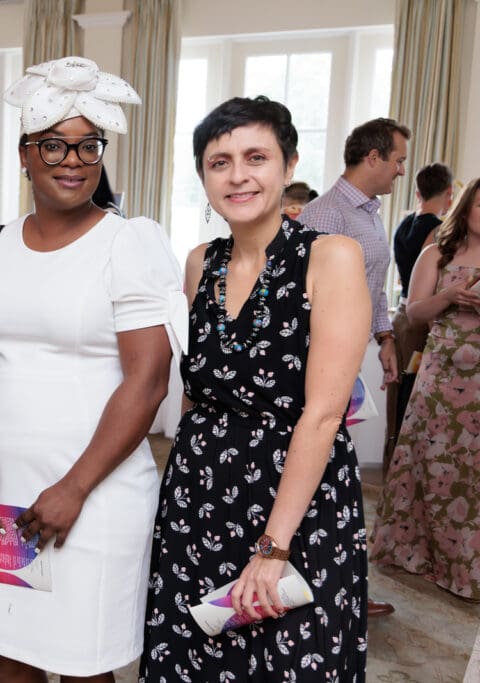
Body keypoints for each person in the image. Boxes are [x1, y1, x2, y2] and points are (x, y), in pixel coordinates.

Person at [0, 56, 185, 680]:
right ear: (25, 154)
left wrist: (75, 487)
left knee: (87, 664)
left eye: (88, 146)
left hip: (96, 492)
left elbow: (149, 380)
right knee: (10, 658)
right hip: (4, 491)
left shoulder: (129, 241)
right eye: (53, 145)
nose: (73, 160)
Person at [139, 96, 371, 682]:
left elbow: (322, 415)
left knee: (289, 659)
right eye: (219, 162)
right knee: (195, 656)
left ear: (288, 166)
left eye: (256, 157)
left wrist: (273, 547)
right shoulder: (199, 263)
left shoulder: (330, 256)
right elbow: (195, 393)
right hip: (199, 496)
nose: (238, 175)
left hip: (293, 504)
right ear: (203, 176)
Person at [298, 117, 410, 618]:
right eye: (398, 159)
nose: (402, 170)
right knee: (323, 475)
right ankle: (325, 589)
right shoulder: (326, 214)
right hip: (319, 367)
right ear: (373, 157)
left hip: (348, 358)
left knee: (336, 478)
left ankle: (340, 587)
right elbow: (301, 302)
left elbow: (372, 282)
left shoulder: (369, 210)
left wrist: (385, 337)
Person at [370, 177, 480, 600]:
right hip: (442, 372)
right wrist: (450, 295)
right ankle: (419, 550)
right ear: (465, 206)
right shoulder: (438, 252)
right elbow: (414, 312)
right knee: (431, 461)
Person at [385, 162, 454, 473]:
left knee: (399, 389)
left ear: (418, 191)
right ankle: (406, 464)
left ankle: (391, 458)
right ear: (449, 194)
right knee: (415, 393)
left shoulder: (403, 225)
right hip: (421, 322)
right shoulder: (439, 231)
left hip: (400, 317)